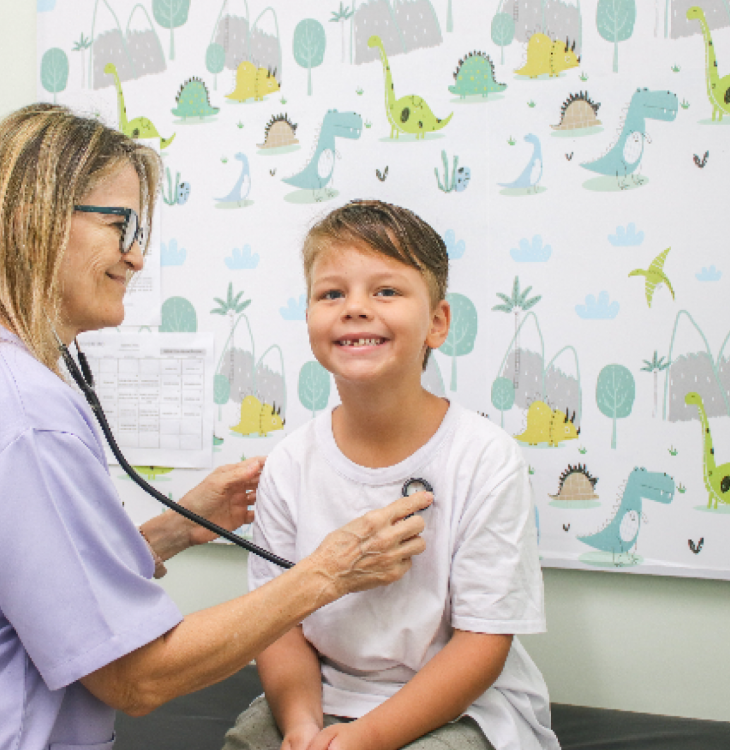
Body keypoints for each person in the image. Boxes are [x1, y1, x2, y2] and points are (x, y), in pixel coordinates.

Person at [0, 106, 433, 750]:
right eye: (120, 224)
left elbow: (33, 581)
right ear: (30, 224)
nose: (136, 256)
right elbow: (136, 677)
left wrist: (175, 528)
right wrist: (329, 572)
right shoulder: (23, 414)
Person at [221, 201, 558, 750]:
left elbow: (482, 644)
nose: (355, 308)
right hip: (325, 690)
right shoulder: (289, 462)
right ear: (308, 318)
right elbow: (278, 624)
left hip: (463, 706)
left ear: (437, 323)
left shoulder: (485, 458)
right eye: (332, 294)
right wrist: (303, 726)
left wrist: (367, 738)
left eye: (385, 291)